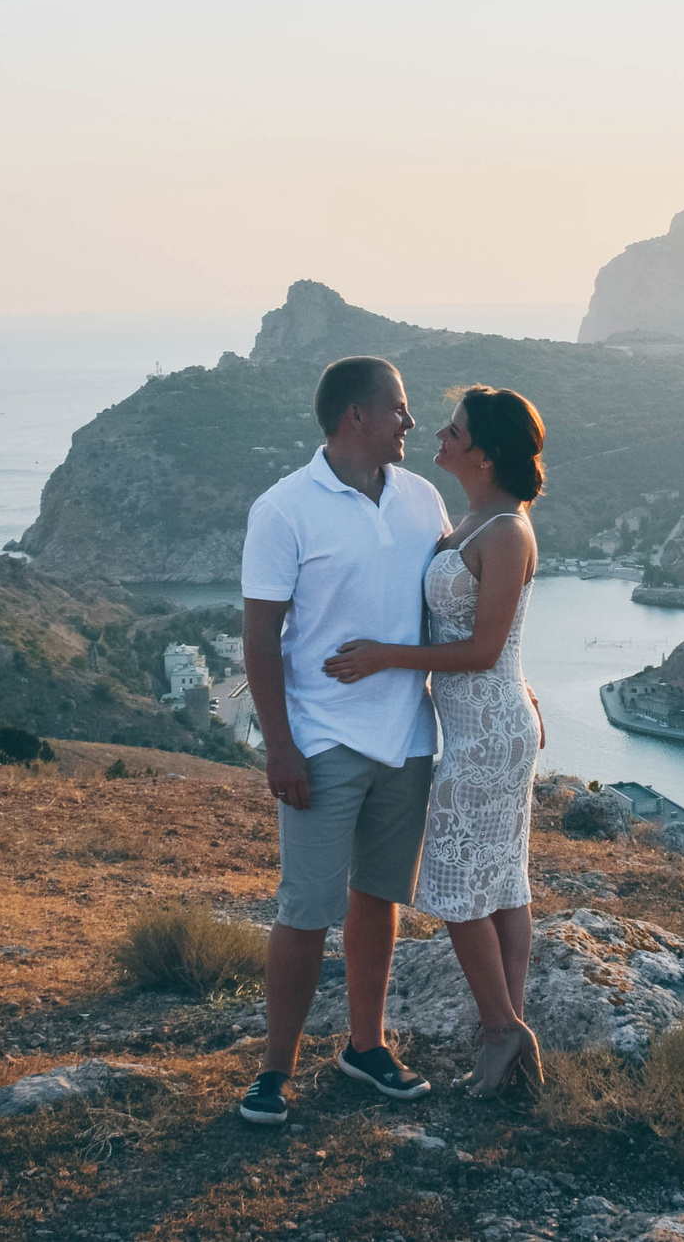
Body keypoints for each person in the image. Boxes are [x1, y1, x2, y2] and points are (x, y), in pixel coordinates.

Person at [235, 356, 447, 1126]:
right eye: (399, 408)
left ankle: (366, 1047)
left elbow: (459, 601)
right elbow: (261, 638)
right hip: (321, 739)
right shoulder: (285, 508)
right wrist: (279, 746)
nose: (410, 423)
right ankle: (274, 1069)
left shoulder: (423, 499)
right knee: (305, 908)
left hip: (407, 737)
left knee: (379, 897)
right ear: (358, 415)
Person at [325, 385, 547, 1098]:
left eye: (452, 430)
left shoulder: (508, 531)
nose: (437, 435)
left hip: (487, 731)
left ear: (483, 452)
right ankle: (507, 1038)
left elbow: (485, 649)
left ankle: (501, 1031)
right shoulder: (473, 518)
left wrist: (387, 655)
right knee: (500, 883)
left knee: (459, 888)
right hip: (481, 724)